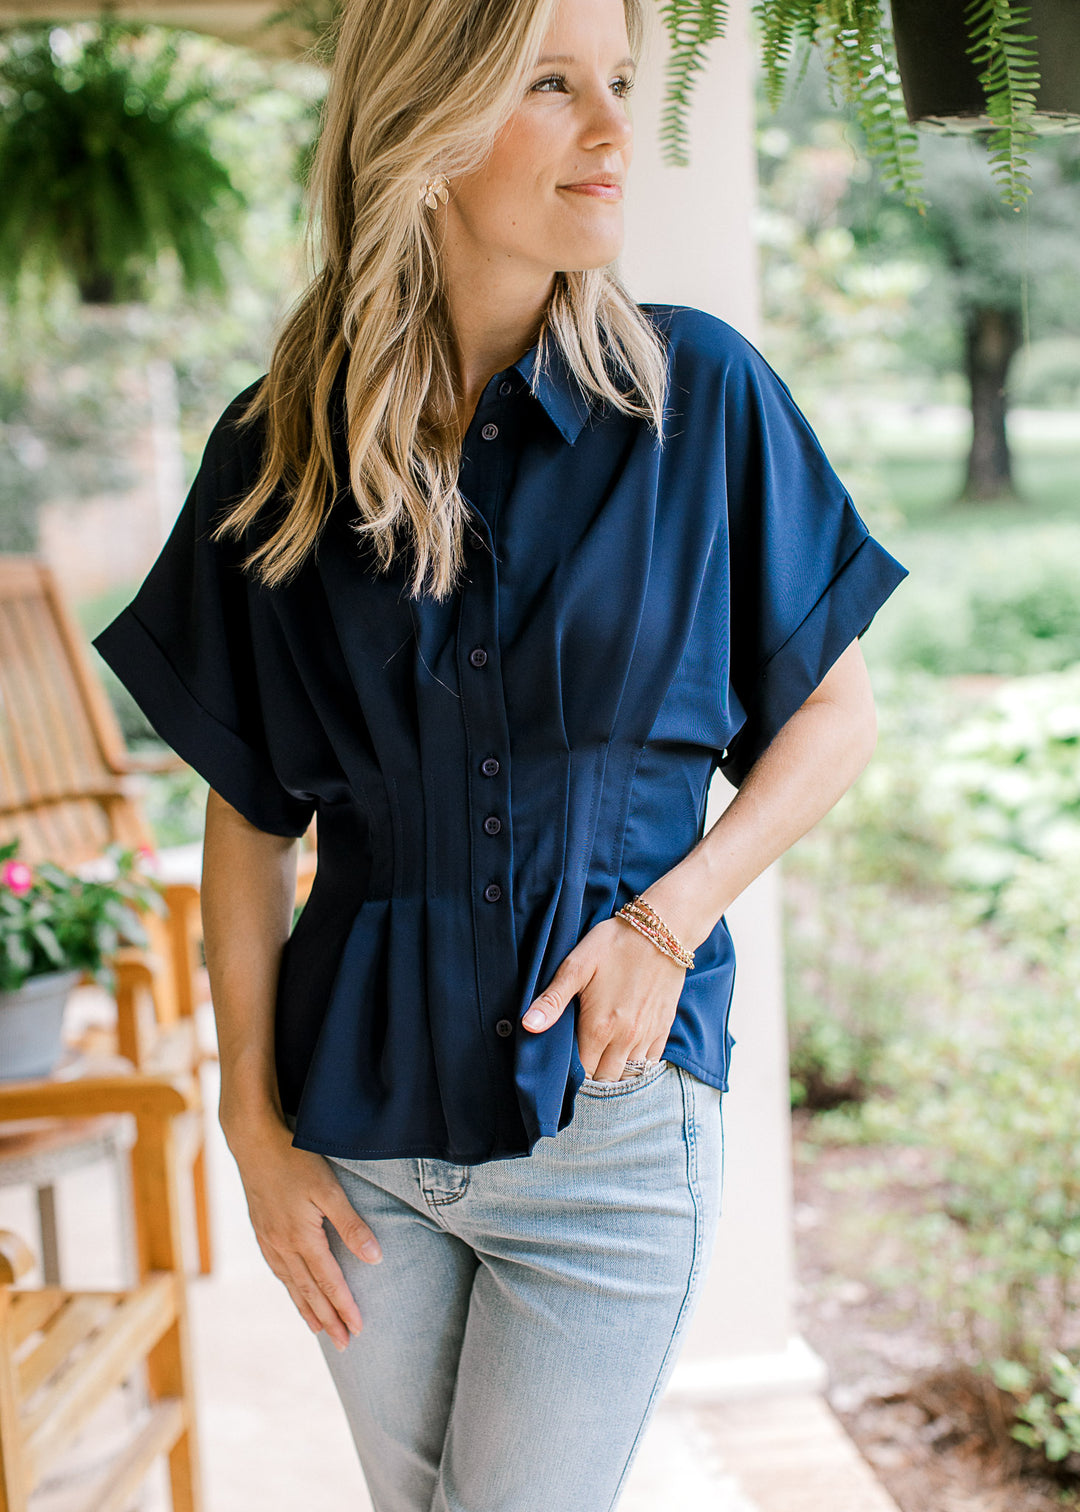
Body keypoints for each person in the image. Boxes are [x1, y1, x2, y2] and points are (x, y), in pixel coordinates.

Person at [91, 0, 908, 1505]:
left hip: (609, 1124)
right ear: (429, 120)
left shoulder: (699, 399)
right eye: (555, 86)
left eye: (620, 84)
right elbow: (251, 823)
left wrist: (672, 917)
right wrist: (252, 1129)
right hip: (353, 1138)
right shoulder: (277, 449)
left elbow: (836, 716)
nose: (614, 135)